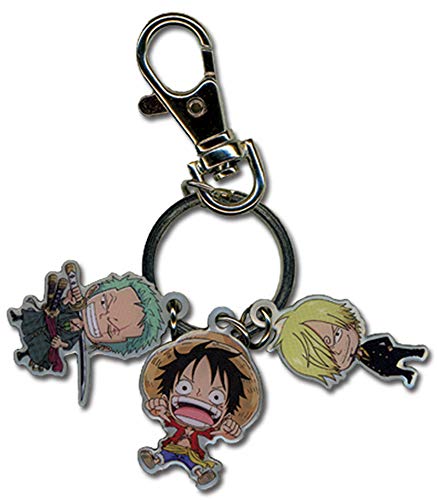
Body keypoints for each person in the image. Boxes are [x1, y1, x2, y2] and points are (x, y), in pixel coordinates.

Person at [138, 330, 262, 490]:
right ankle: (155, 459)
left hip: (194, 454)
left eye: (216, 397)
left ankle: (200, 474)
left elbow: (224, 434)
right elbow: (159, 413)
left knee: (194, 463)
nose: (197, 396)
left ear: (228, 408)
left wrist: (230, 430)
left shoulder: (209, 430)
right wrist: (156, 407)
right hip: (171, 446)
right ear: (169, 390)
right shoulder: (171, 418)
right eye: (184, 387)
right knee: (165, 454)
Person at [273, 295, 428, 388]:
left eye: (338, 334)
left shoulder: (369, 344)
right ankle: (407, 373)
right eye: (327, 354)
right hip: (380, 365)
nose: (339, 348)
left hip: (382, 350)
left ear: (349, 323)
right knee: (389, 370)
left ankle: (416, 353)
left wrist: (386, 345)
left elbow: (385, 340)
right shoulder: (368, 364)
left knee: (399, 353)